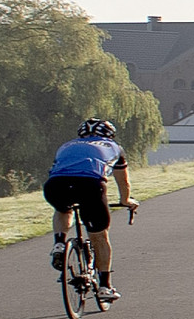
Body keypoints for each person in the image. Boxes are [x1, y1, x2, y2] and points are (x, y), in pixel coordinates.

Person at [45, 117, 137, 301]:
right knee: (99, 236)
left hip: (55, 185)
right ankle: (105, 286)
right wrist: (126, 200)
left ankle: (60, 243)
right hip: (90, 186)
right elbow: (123, 181)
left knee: (63, 208)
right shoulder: (114, 147)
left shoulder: (66, 146)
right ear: (110, 134)